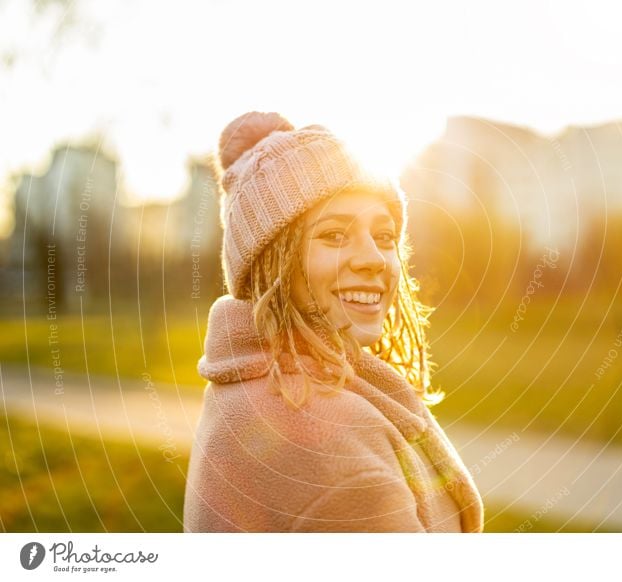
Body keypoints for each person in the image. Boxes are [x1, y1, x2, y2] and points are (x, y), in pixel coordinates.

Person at [183, 111, 484, 532]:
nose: (373, 259)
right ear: (270, 264)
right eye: (334, 235)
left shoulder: (247, 388)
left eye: (384, 237)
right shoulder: (331, 453)